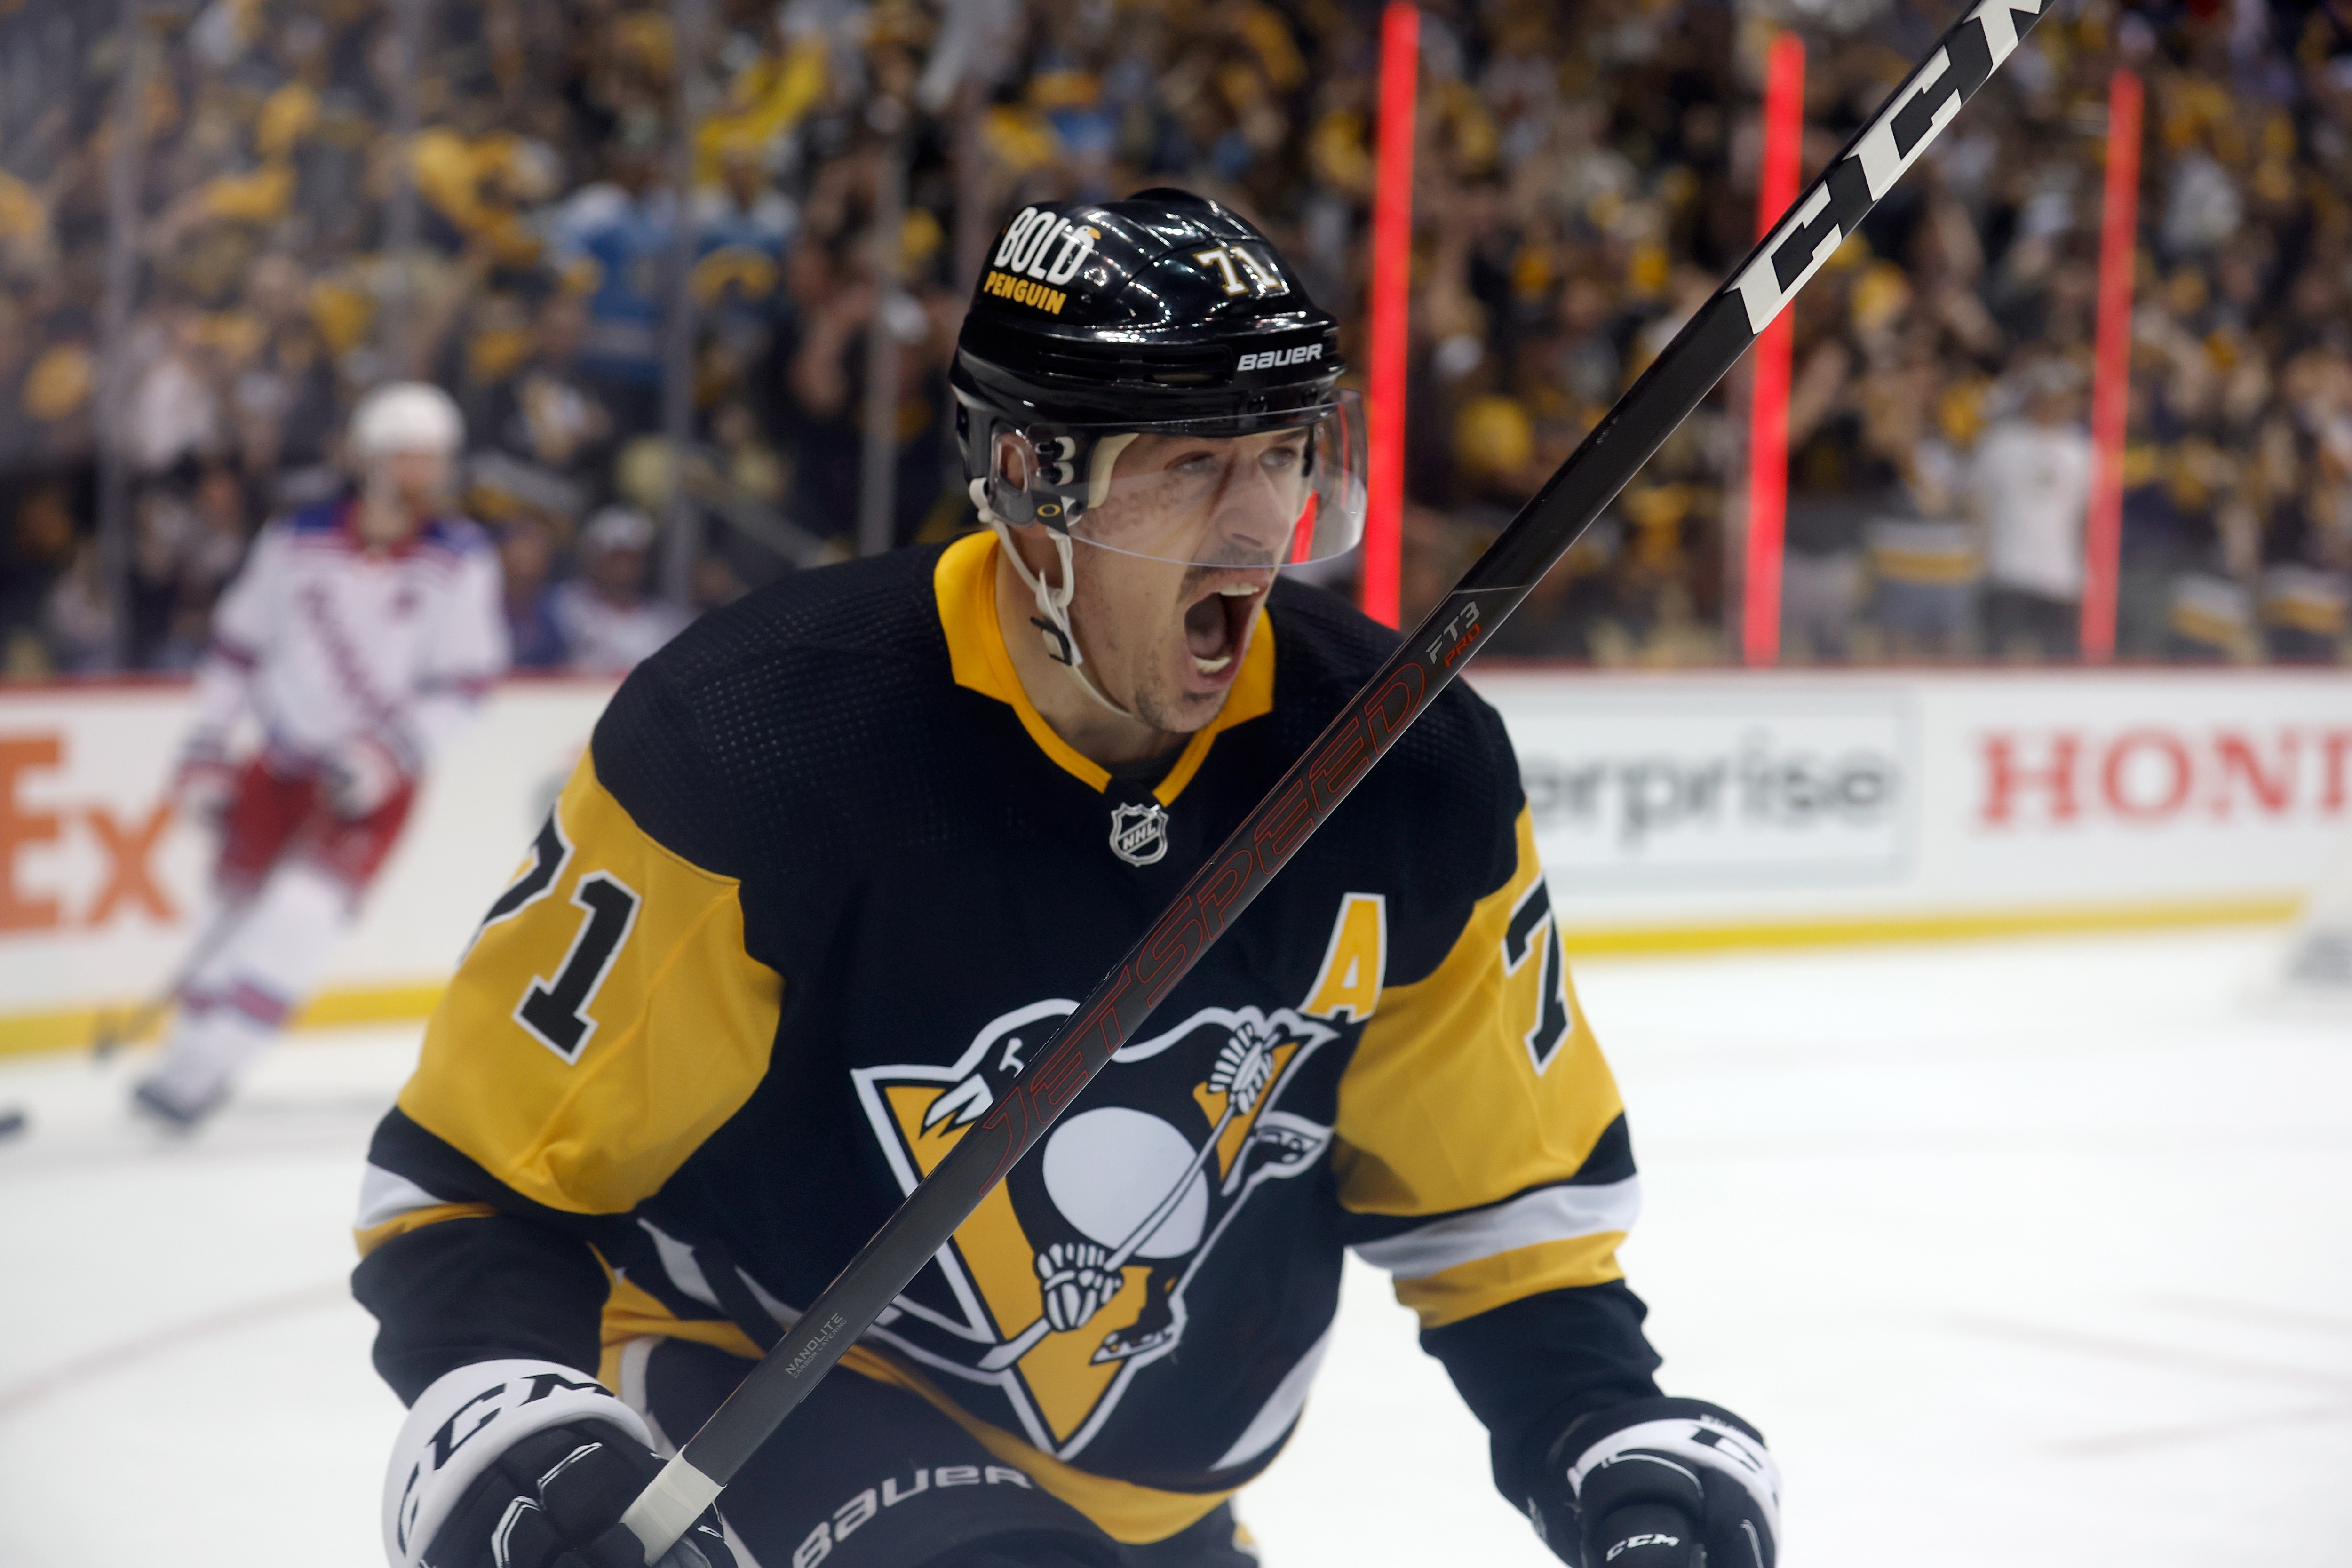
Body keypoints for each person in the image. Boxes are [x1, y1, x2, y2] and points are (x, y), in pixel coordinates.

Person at [354, 194, 1778, 1568]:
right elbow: (478, 1184)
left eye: (1281, 453)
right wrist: (502, 1403)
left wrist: (1604, 1428)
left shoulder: (1402, 773)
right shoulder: (763, 744)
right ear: (1033, 486)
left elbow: (1498, 1216)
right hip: (751, 1403)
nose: (1255, 525)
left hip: (1141, 1517)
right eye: (1188, 466)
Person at [134, 382, 508, 1128]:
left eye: (435, 459)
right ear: (369, 460)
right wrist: (206, 750)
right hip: (277, 766)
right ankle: (182, 1055)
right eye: (409, 457)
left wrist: (386, 755)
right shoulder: (294, 541)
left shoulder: (459, 559)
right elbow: (238, 648)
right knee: (230, 908)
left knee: (304, 915)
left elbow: (467, 683)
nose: (424, 474)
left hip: (376, 783)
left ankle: (207, 1073)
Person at [1973, 360, 2092, 661]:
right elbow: (1978, 505)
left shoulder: (2083, 452)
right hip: (2008, 572)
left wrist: (2088, 579)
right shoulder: (2002, 444)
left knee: (2060, 671)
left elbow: (2088, 519)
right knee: (1996, 664)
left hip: (2061, 578)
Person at [551, 504, 691, 675]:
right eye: (615, 557)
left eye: (633, 558)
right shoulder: (566, 606)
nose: (624, 568)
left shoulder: (666, 622)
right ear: (594, 558)